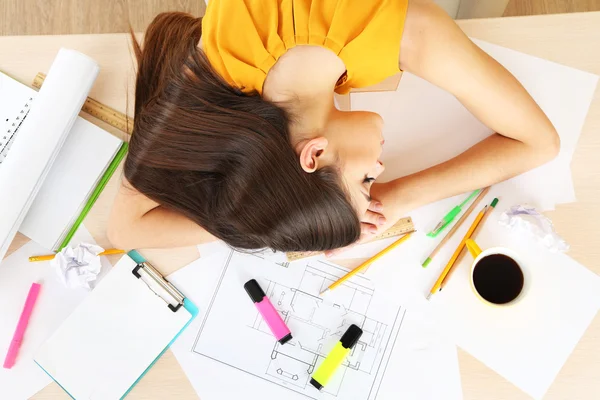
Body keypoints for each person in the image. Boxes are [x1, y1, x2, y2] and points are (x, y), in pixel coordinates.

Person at [108, 0, 559, 254]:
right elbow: (126, 230)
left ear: (314, 154)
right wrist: (274, 212)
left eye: (366, 178)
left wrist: (395, 199)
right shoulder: (215, 70)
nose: (381, 167)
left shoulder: (412, 34)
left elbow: (539, 143)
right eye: (374, 181)